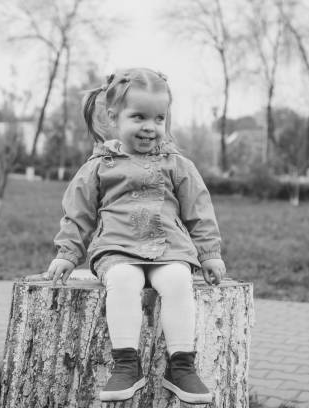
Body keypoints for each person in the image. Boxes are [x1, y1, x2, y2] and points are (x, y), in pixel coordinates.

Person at [38, 68, 226, 404]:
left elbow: (199, 209)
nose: (149, 127)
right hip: (117, 249)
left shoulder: (177, 164)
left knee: (178, 281)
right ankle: (126, 364)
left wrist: (209, 252)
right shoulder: (100, 165)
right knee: (123, 281)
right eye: (138, 116)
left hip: (169, 247)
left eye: (159, 118)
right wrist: (66, 254)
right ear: (113, 117)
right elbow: (78, 213)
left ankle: (181, 365)